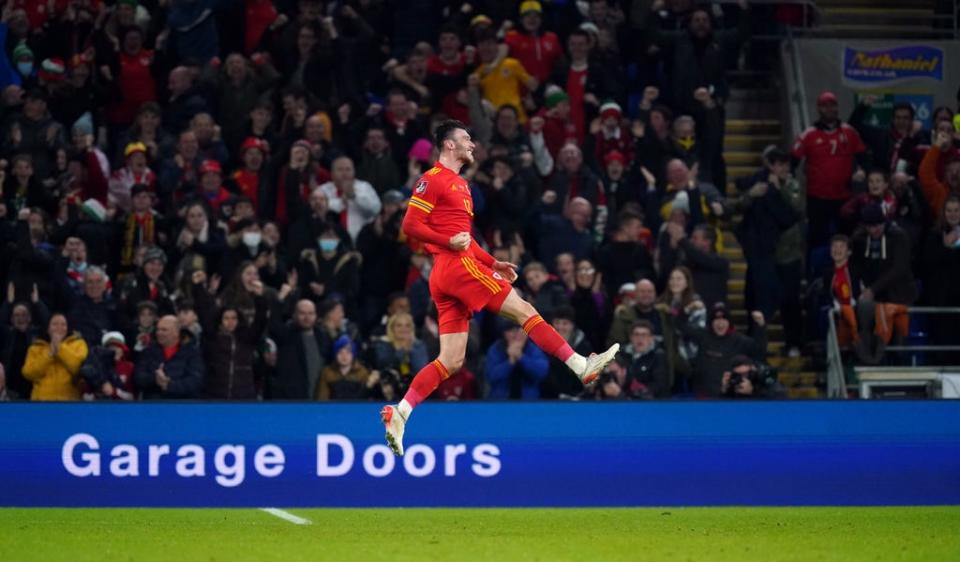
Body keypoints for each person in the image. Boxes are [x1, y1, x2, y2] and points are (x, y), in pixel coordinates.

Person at [381, 120, 620, 456]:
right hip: (455, 267)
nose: (473, 145)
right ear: (448, 145)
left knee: (451, 360)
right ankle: (581, 365)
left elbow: (466, 240)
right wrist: (447, 240)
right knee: (525, 311)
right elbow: (410, 225)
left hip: (451, 272)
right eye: (466, 139)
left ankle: (401, 412)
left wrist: (493, 263)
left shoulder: (461, 186)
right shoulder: (432, 179)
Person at [134, 315, 206, 399]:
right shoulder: (148, 352)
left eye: (164, 330)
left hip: (182, 406)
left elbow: (195, 381)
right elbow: (138, 378)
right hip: (153, 405)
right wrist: (155, 379)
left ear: (176, 333)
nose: (159, 333)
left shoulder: (192, 353)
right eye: (158, 329)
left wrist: (169, 385)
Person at [21, 313, 89, 401]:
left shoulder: (78, 344)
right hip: (41, 403)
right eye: (55, 324)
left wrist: (60, 348)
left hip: (70, 402)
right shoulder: (36, 348)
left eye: (63, 324)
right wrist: (49, 354)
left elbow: (78, 367)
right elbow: (28, 373)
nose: (59, 328)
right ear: (48, 328)